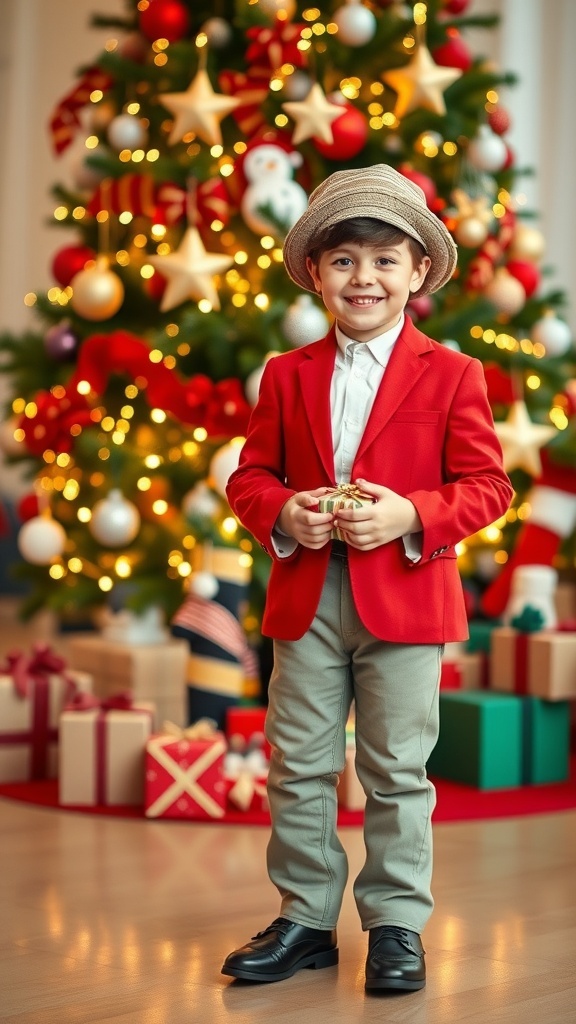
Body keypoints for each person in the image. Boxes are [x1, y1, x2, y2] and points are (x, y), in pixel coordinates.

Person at [221, 164, 513, 992]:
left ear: (419, 272)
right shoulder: (286, 373)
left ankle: (395, 924)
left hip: (410, 598)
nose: (365, 277)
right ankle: (306, 917)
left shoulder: (454, 374)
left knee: (396, 769)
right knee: (300, 763)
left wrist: (411, 516)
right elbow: (250, 479)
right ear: (315, 272)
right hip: (306, 597)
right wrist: (283, 513)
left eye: (386, 260)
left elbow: (489, 487)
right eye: (344, 260)